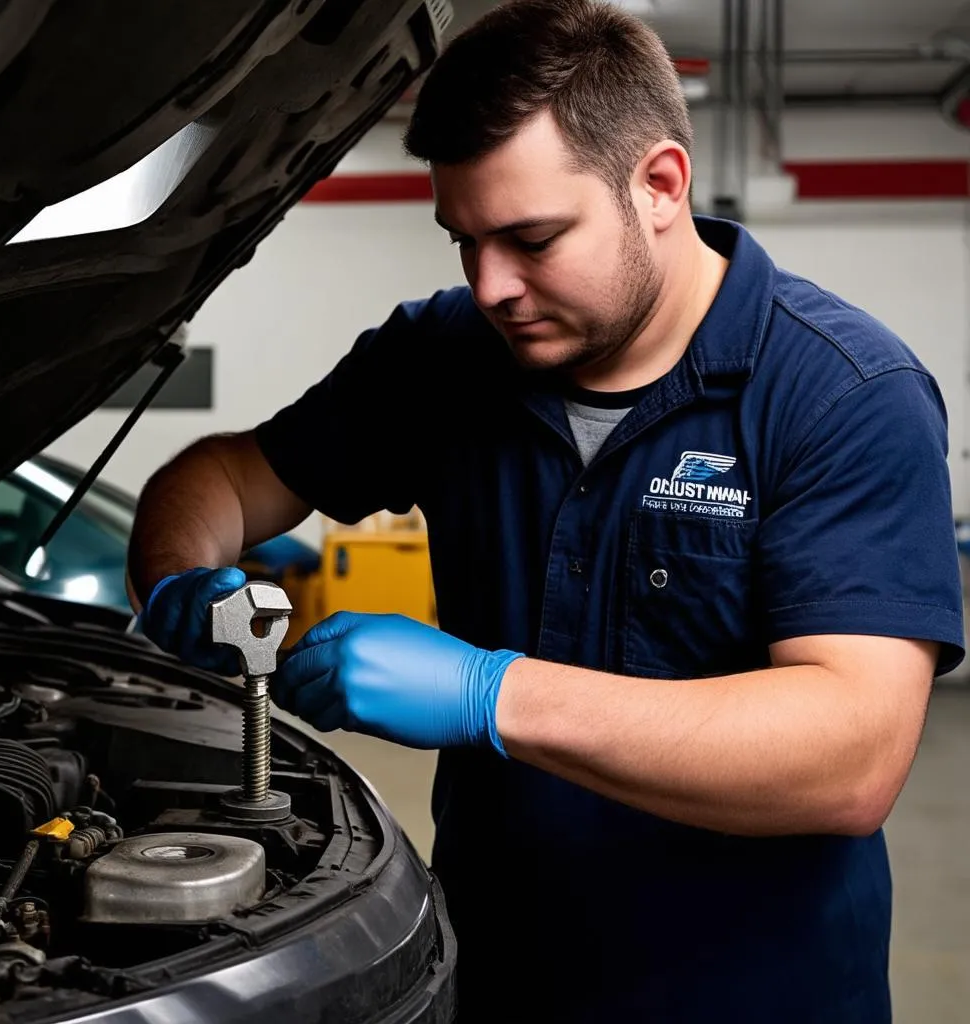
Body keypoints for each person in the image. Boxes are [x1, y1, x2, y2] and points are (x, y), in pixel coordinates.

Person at [126, 1, 965, 1020]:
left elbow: (851, 752)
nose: (490, 285)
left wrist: (490, 692)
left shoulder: (838, 391)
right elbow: (222, 477)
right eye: (463, 240)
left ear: (658, 185)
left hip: (750, 996)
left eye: (530, 238)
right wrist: (178, 575)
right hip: (489, 976)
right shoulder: (440, 359)